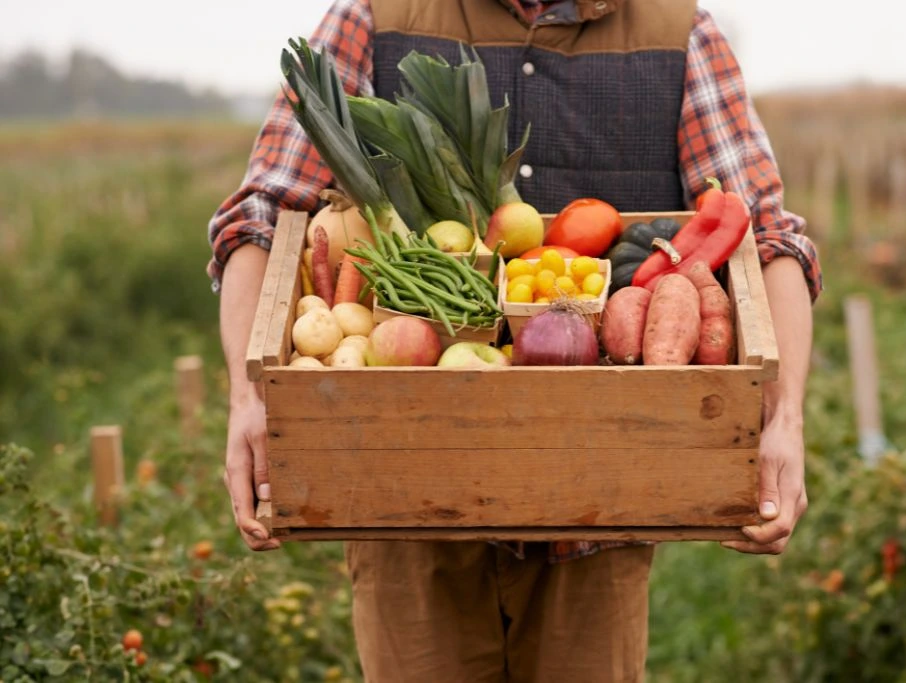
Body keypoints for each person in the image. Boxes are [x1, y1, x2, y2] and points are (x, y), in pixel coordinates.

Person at [208, 1, 821, 680]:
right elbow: (263, 216)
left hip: (601, 512)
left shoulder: (677, 29)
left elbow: (768, 239)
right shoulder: (374, 17)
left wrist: (783, 416)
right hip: (409, 510)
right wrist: (248, 393)